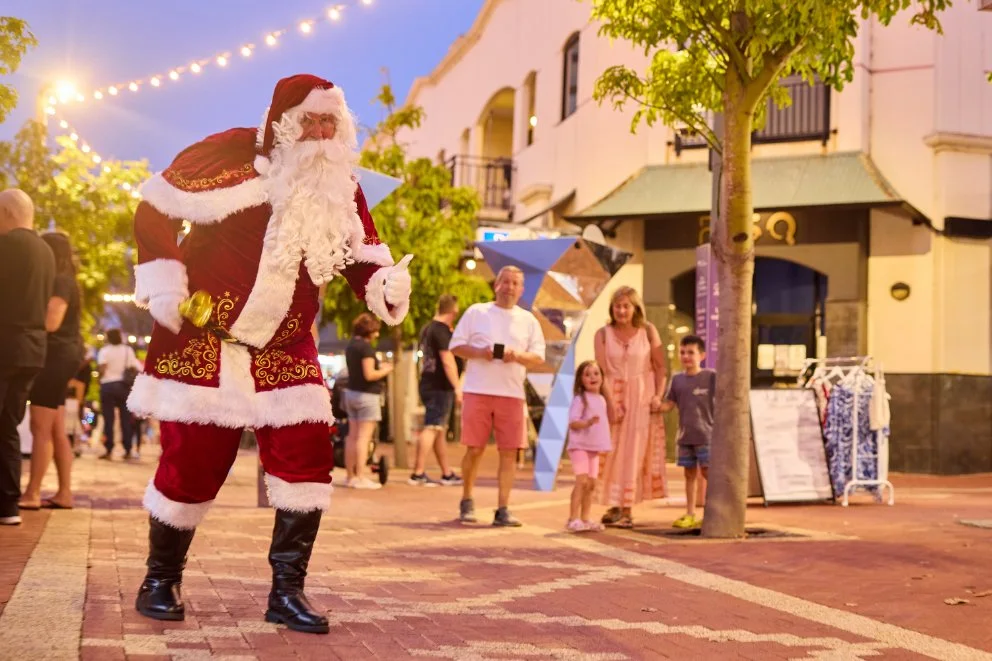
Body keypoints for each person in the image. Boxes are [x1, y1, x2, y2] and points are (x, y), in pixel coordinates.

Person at [126, 74, 413, 635]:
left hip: (286, 344)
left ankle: (288, 591)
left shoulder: (341, 184)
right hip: (207, 338)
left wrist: (382, 285)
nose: (323, 133)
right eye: (312, 121)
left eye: (332, 123)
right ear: (283, 122)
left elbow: (362, 253)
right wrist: (165, 280)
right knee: (194, 464)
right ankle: (160, 578)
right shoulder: (229, 153)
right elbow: (153, 205)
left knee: (307, 456)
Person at [450, 266, 545, 527]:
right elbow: (456, 346)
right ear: (496, 285)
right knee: (475, 448)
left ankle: (503, 508)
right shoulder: (477, 312)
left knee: (509, 452)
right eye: (506, 282)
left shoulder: (528, 320)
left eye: (515, 283)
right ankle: (467, 499)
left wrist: (517, 355)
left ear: (521, 289)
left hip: (512, 393)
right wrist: (482, 352)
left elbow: (538, 356)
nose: (510, 287)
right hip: (478, 390)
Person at [19, 232, 85, 510]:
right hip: (66, 354)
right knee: (57, 428)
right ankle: (64, 493)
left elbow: (52, 321)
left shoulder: (59, 281)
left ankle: (32, 493)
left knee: (40, 426)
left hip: (55, 356)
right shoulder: (68, 280)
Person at [0, 189, 54, 526]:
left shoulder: (7, 246)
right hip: (33, 350)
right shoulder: (46, 251)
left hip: (5, 344)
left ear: (6, 212)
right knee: (8, 427)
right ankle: (8, 507)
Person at [595, 286, 667, 529]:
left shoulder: (647, 331)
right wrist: (609, 403)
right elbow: (601, 372)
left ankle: (627, 508)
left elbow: (660, 367)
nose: (621, 311)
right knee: (612, 452)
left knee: (634, 452)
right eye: (617, 306)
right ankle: (614, 504)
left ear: (635, 308)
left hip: (641, 398)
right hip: (613, 396)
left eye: (626, 306)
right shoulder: (603, 334)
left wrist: (658, 396)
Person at [659, 335, 715, 529]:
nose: (686, 356)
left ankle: (711, 512)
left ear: (702, 355)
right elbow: (668, 404)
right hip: (685, 437)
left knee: (709, 473)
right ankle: (690, 513)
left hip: (707, 436)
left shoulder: (710, 377)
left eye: (691, 352)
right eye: (682, 352)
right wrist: (652, 405)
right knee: (689, 475)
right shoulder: (677, 380)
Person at [410, 294, 463, 487]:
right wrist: (458, 387)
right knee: (432, 427)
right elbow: (447, 360)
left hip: (428, 383)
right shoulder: (441, 331)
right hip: (439, 386)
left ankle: (446, 472)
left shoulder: (427, 328)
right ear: (453, 311)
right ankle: (418, 472)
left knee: (439, 429)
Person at [343, 312, 390, 490]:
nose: (377, 335)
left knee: (352, 436)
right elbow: (370, 374)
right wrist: (386, 370)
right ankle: (361, 476)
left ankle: (350, 476)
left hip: (351, 394)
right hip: (367, 397)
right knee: (364, 438)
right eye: (375, 331)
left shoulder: (351, 347)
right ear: (369, 331)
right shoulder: (366, 349)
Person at [565, 360, 613, 532]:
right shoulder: (580, 399)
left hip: (593, 448)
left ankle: (585, 518)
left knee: (591, 483)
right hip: (579, 446)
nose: (592, 377)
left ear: (602, 377)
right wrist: (587, 423)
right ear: (581, 380)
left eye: (596, 373)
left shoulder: (601, 399)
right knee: (581, 481)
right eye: (587, 374)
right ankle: (573, 518)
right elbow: (573, 423)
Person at [96, 329, 141, 460]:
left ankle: (108, 449)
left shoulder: (104, 351)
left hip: (108, 386)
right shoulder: (128, 350)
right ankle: (127, 449)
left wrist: (99, 378)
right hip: (123, 386)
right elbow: (133, 367)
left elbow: (102, 368)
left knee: (108, 419)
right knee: (125, 419)